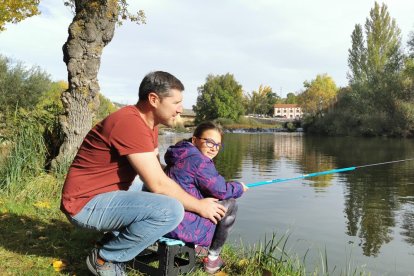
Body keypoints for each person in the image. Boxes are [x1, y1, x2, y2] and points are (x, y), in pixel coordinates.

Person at [60, 71, 227, 276]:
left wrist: (196, 187)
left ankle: (114, 240)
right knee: (171, 210)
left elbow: (160, 173)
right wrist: (199, 205)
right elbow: (158, 183)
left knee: (161, 196)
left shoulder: (149, 125)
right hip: (85, 204)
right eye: (176, 102)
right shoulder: (129, 123)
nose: (180, 109)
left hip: (106, 196)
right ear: (154, 99)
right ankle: (105, 258)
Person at [163, 121, 248, 274]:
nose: (214, 148)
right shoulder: (200, 161)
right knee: (230, 204)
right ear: (194, 140)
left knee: (213, 199)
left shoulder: (180, 153)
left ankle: (201, 250)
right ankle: (213, 260)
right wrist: (239, 187)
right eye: (209, 142)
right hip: (181, 224)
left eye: (218, 145)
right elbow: (221, 191)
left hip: (166, 215)